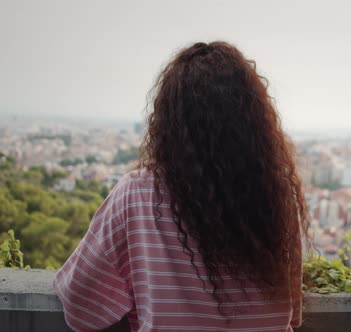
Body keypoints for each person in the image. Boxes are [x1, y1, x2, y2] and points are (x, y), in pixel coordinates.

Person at [53, 41, 309, 332]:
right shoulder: (277, 196)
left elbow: (81, 307)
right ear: (255, 124)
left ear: (168, 122)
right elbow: (292, 315)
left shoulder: (137, 195)